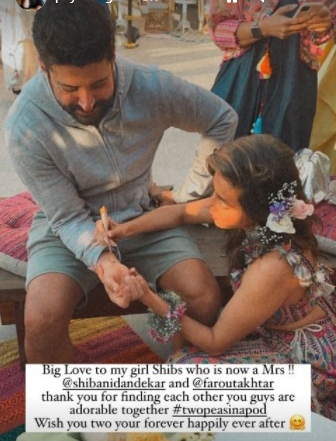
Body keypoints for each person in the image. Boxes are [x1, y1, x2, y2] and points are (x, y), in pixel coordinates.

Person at [5, 0, 238, 364]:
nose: (85, 102)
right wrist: (103, 262)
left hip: (144, 214)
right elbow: (66, 218)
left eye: (98, 83)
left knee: (204, 296)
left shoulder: (151, 86)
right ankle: (80, 406)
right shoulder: (25, 126)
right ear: (45, 69)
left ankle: (176, 368)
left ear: (113, 56)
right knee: (41, 319)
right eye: (70, 88)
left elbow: (221, 119)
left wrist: (188, 193)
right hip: (67, 224)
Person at [95, 135, 336, 420]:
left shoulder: (273, 267)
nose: (212, 204)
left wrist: (148, 297)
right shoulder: (265, 219)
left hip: (306, 361)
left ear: (256, 206)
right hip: (275, 330)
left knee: (183, 370)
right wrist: (123, 230)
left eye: (222, 199)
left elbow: (214, 341)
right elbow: (182, 213)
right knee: (180, 371)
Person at [208, 0, 336, 151]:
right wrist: (262, 28)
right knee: (229, 164)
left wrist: (325, 23)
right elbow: (219, 29)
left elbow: (326, 30)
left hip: (296, 85)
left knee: (284, 164)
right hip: (241, 80)